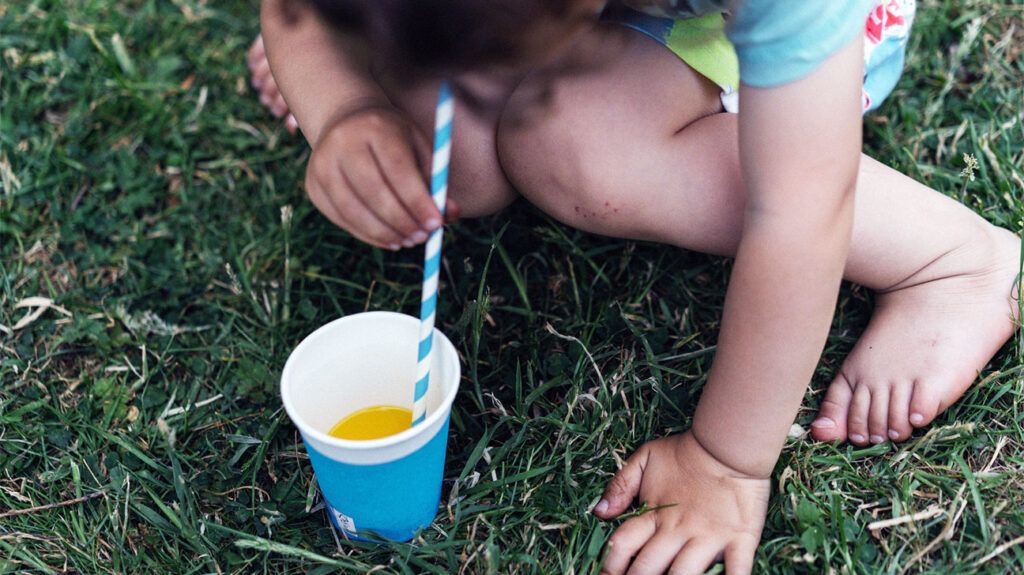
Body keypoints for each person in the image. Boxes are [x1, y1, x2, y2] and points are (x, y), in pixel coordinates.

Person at [256, 1, 1021, 572]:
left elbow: (799, 211)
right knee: (448, 158)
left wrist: (727, 458)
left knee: (574, 147)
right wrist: (343, 97)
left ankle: (956, 260)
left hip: (773, 32)